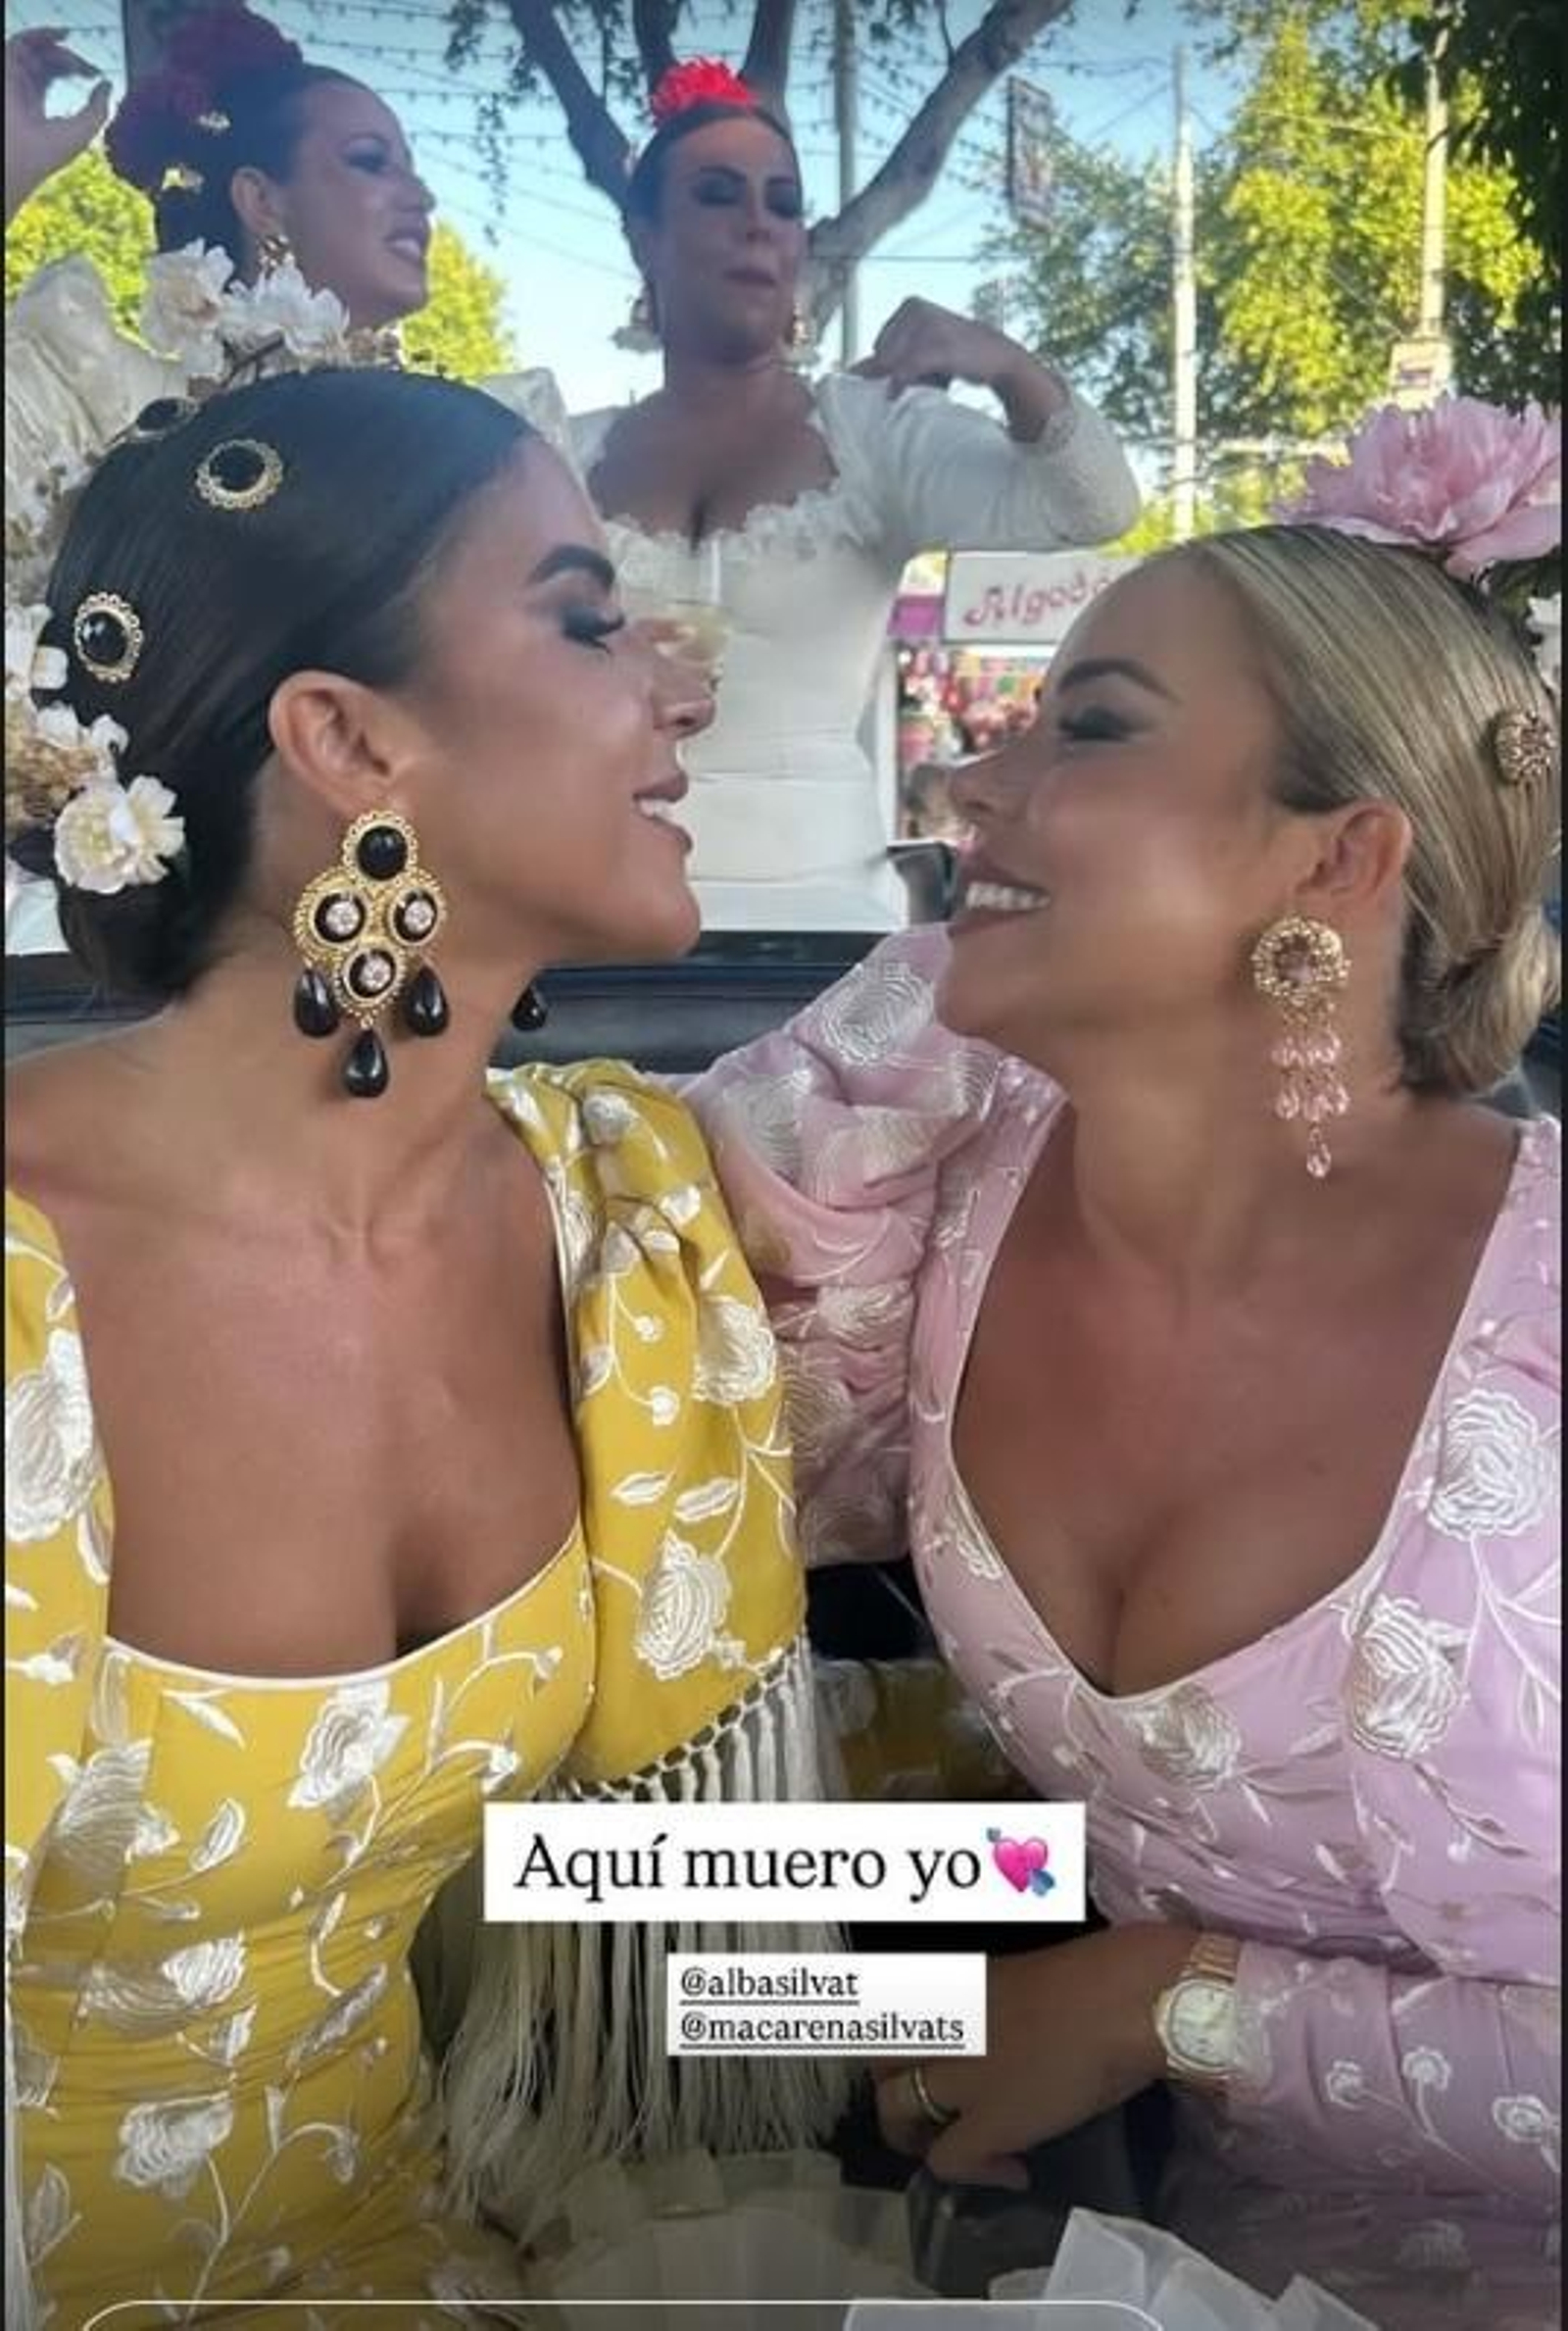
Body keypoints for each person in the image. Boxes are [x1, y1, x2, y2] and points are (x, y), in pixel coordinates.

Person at [693, 398, 1561, 2326]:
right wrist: (725, 1992)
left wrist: (1160, 2004)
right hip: (1184, 2265)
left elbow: (1132, 1975)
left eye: (1085, 728)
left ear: (1337, 860)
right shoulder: (944, 1206)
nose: (968, 788)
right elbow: (1045, 1846)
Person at [4, 366, 840, 2324]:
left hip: (426, 2257)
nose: (676, 686)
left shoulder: (618, 1218)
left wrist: (1164, 1993)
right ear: (347, 737)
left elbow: (617, 1903)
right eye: (579, 615)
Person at [4, 7, 565, 949]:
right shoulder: (108, 399)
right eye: (370, 162)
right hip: (124, 961)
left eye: (412, 167)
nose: (418, 197)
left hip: (404, 941)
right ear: (263, 201)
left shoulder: (481, 449)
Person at [570, 57, 1141, 935]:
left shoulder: (875, 434)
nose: (758, 224)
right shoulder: (559, 453)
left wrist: (1004, 364)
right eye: (718, 195)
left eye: (784, 202)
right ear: (644, 236)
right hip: (598, 907)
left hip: (827, 925)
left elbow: (1095, 505)